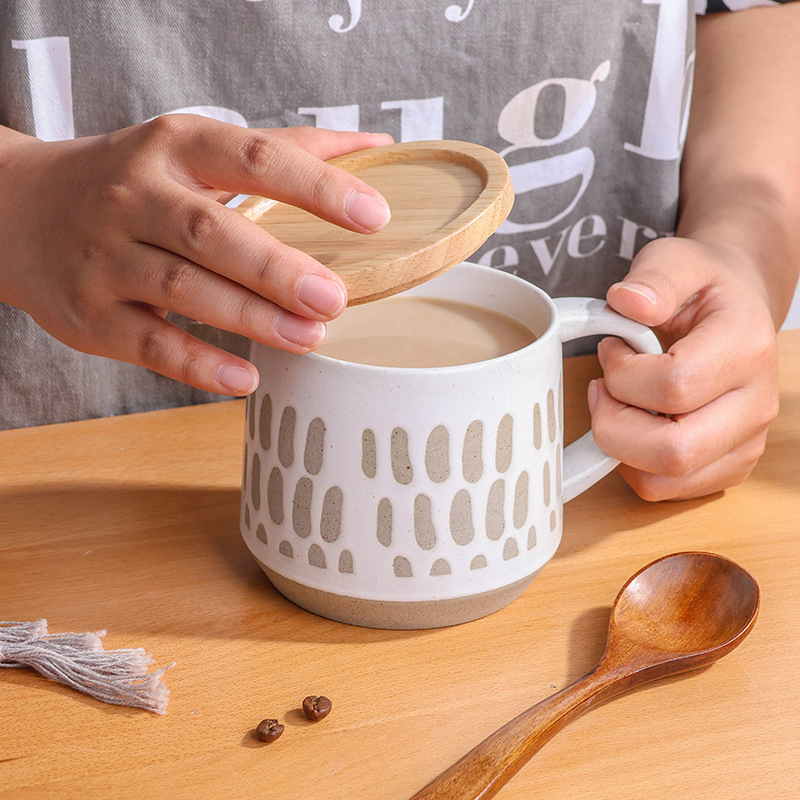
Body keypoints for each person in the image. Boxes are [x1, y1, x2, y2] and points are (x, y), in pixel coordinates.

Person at [1, 0, 798, 504]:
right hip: (67, 489)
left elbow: (755, 15)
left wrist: (743, 248)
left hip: (579, 477)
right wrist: (24, 201)